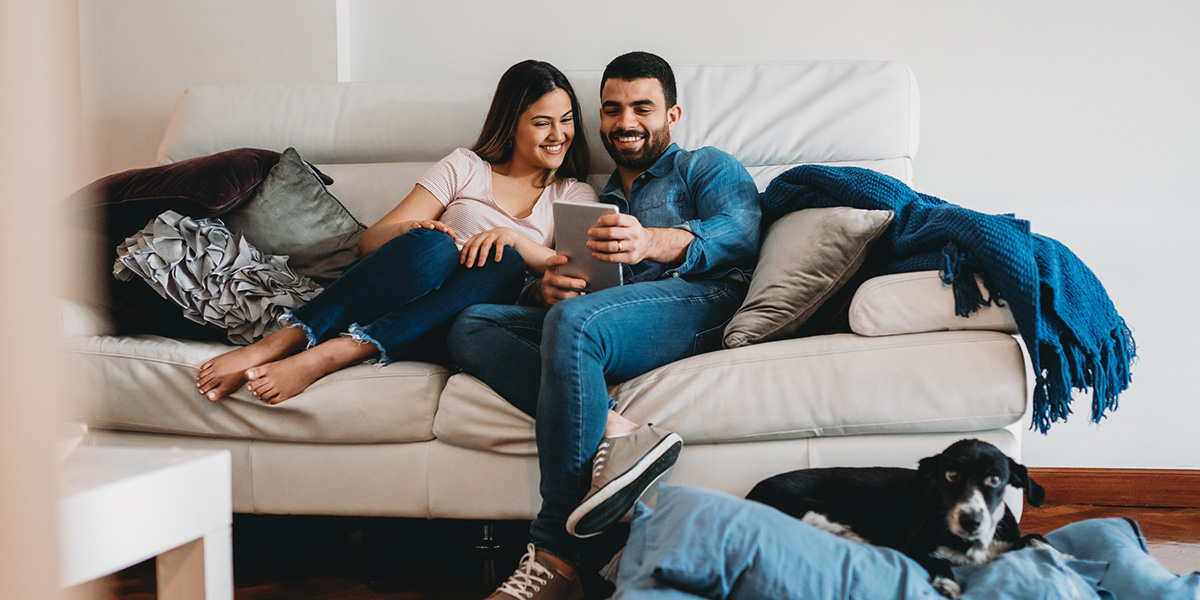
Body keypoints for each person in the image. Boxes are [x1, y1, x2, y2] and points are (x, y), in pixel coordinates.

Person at [448, 52, 761, 600]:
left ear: (673, 114)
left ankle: (556, 557)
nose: (625, 123)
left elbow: (740, 232)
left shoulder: (705, 166)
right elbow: (566, 281)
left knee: (575, 321)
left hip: (703, 300)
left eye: (642, 108)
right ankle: (617, 429)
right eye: (612, 110)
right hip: (609, 317)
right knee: (470, 324)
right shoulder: (591, 198)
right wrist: (542, 289)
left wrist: (653, 241)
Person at [194, 60, 596, 405]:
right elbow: (369, 241)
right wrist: (410, 228)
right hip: (407, 293)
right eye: (542, 123)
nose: (558, 135)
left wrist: (513, 240)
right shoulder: (465, 167)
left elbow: (574, 273)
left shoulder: (574, 193)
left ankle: (335, 353)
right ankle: (282, 341)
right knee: (435, 245)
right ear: (511, 125)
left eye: (566, 121)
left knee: (503, 263)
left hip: (462, 323)